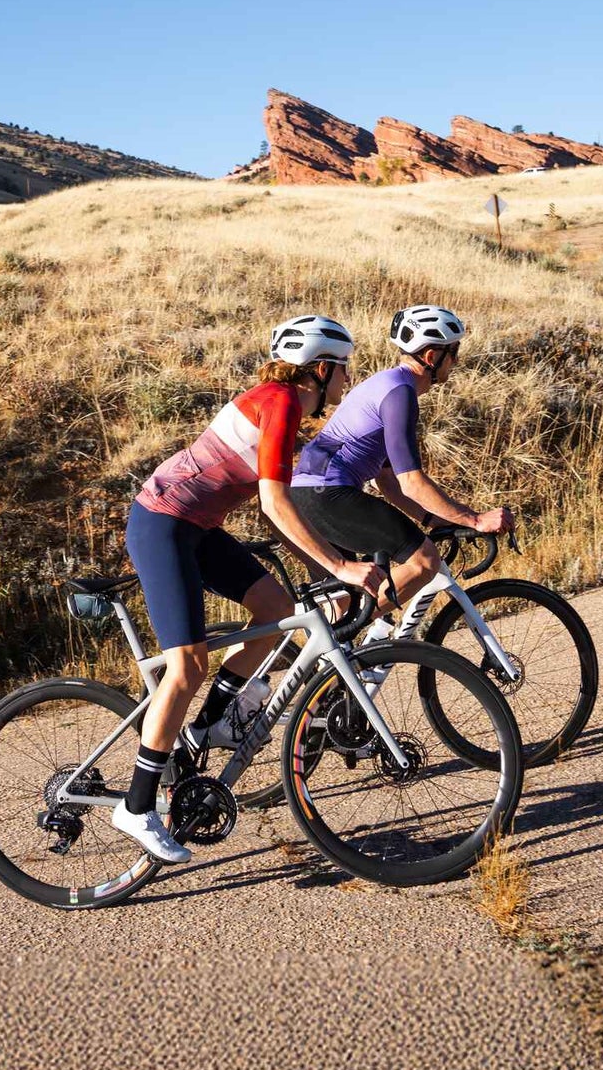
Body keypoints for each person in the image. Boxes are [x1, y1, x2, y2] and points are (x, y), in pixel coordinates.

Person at [112, 315, 390, 863]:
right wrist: (342, 568)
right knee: (186, 665)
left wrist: (323, 574)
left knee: (275, 609)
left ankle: (210, 725)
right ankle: (137, 806)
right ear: (321, 367)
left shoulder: (284, 404)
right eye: (344, 369)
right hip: (163, 523)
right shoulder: (282, 403)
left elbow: (277, 512)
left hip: (196, 527)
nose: (347, 381)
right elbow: (276, 505)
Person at [290, 305, 512, 636]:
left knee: (342, 602)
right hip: (329, 493)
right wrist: (474, 519)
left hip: (306, 494)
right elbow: (411, 482)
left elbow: (388, 482)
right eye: (455, 352)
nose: (457, 360)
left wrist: (433, 519)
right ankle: (337, 639)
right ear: (434, 355)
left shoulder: (386, 384)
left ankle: (328, 674)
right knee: (423, 562)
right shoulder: (400, 394)